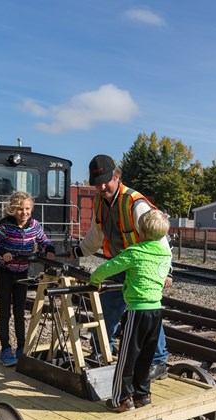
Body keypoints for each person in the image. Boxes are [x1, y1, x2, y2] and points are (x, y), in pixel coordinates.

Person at [73, 154, 172, 380]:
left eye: (106, 180)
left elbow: (160, 238)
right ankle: (100, 352)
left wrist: (167, 271)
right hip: (120, 264)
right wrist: (76, 251)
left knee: (146, 310)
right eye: (97, 183)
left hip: (142, 268)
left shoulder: (135, 203)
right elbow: (95, 236)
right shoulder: (100, 201)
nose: (102, 186)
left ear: (117, 177)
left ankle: (158, 362)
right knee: (108, 308)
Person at [90, 209, 172, 412]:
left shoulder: (135, 252)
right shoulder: (164, 253)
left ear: (140, 232)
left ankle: (121, 399)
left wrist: (94, 280)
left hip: (137, 311)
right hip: (156, 310)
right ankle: (142, 395)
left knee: (127, 357)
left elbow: (108, 268)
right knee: (146, 355)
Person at [0, 191, 55, 366]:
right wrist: (1, 252)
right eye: (20, 209)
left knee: (20, 312)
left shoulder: (35, 225)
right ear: (13, 210)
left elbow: (44, 240)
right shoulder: (5, 226)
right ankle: (6, 348)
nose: (24, 213)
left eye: (27, 209)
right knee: (5, 311)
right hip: (5, 274)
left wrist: (50, 250)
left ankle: (21, 347)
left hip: (22, 274)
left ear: (32, 209)